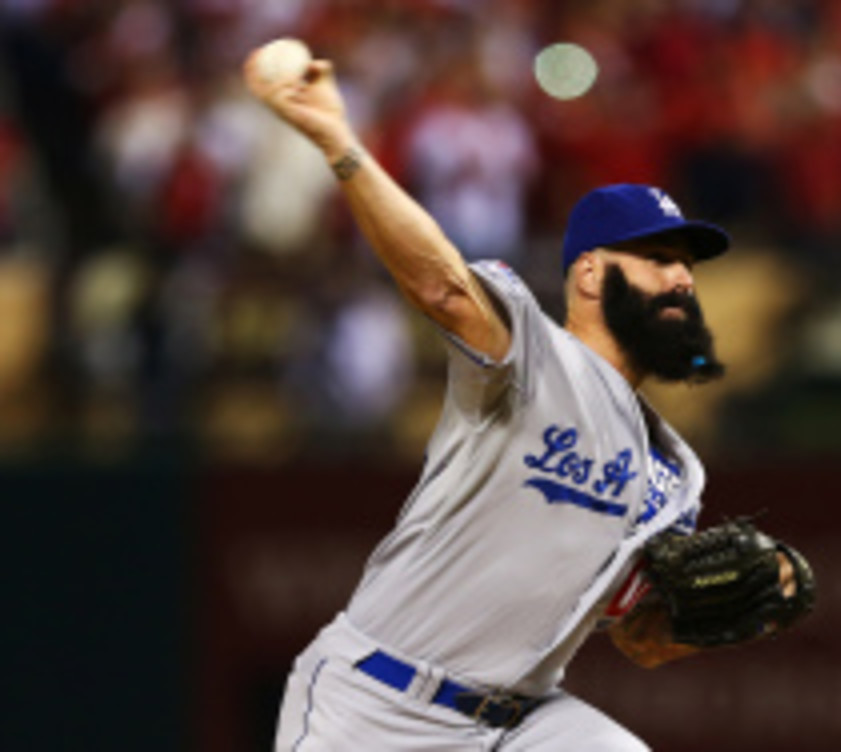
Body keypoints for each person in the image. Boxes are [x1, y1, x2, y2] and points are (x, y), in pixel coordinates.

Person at [244, 46, 804, 751]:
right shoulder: (531, 356)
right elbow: (441, 287)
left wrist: (752, 609)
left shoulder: (677, 473)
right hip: (376, 704)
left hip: (523, 722)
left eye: (687, 267)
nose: (683, 281)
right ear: (593, 276)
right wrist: (340, 144)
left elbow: (642, 643)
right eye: (659, 260)